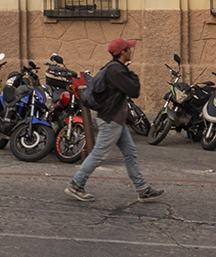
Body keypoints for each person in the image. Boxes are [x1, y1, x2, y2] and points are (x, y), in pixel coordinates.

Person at [67, 38, 163, 203]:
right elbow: (134, 90)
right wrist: (132, 74)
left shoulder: (113, 68)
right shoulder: (116, 71)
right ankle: (76, 184)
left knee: (129, 153)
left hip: (116, 119)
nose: (131, 51)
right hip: (111, 120)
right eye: (128, 49)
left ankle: (142, 189)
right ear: (122, 52)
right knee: (98, 154)